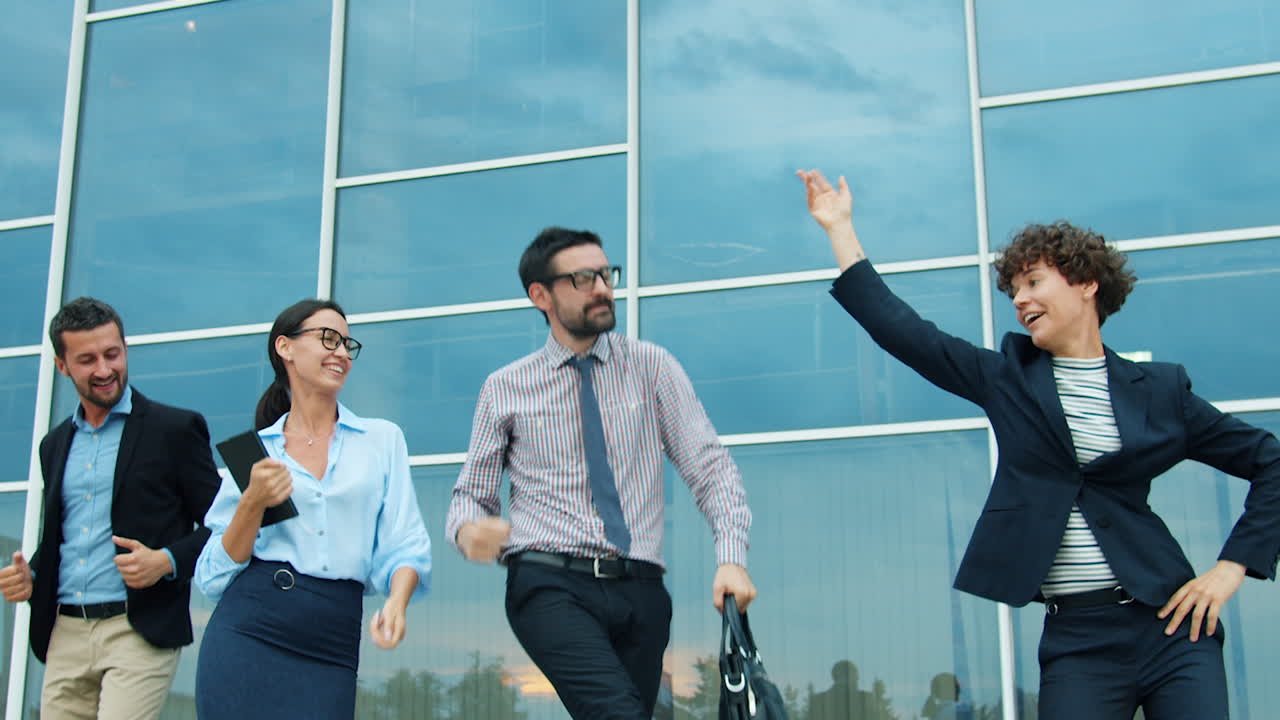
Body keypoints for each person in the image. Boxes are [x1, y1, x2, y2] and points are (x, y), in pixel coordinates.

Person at [797, 169, 1280, 719]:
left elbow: (1272, 461)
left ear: (1086, 283)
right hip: (1077, 641)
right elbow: (904, 331)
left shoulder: (1160, 391)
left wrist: (1231, 568)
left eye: (1033, 282)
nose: (1020, 300)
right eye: (1013, 291)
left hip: (1171, 627)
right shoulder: (1007, 378)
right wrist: (839, 229)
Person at [445, 227, 757, 719]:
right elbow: (471, 496)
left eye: (606, 274)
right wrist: (469, 531)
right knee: (618, 713)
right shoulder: (505, 387)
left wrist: (732, 556)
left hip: (642, 591)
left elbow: (709, 466)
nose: (603, 288)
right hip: (551, 585)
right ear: (540, 295)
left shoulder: (652, 367)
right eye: (583, 278)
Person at [193, 299, 432, 719]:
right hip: (248, 630)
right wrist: (251, 502)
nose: (341, 352)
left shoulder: (381, 440)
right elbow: (211, 576)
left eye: (346, 344)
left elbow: (405, 541)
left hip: (332, 640)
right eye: (328, 339)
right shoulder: (256, 453)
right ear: (285, 348)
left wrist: (397, 601)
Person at [0, 297, 221, 720]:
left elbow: (226, 523)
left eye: (112, 354)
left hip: (137, 630)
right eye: (87, 360)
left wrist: (167, 560)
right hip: (64, 633)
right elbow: (70, 537)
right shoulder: (55, 444)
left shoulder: (174, 429)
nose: (104, 370)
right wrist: (32, 573)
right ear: (62, 366)